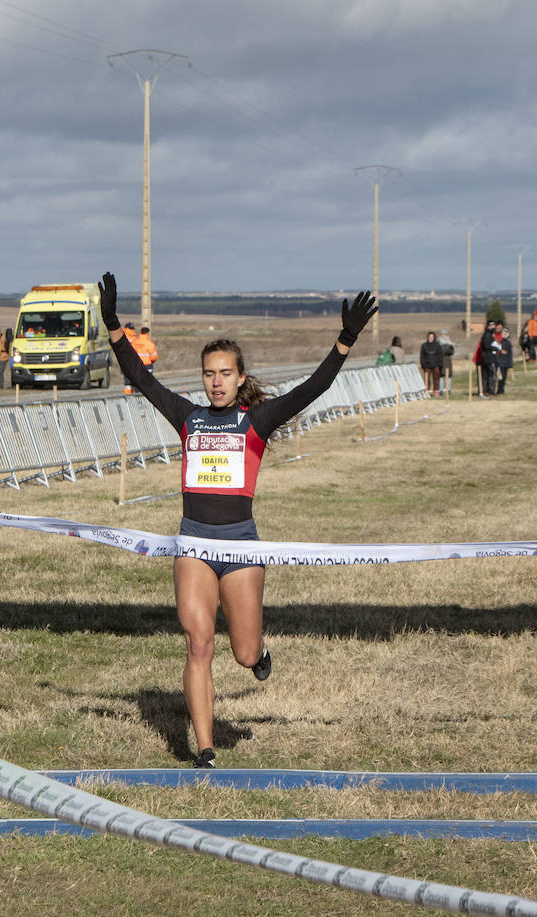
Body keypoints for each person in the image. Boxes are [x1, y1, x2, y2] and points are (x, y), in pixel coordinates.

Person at [99, 271, 377, 769]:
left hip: (242, 546)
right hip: (195, 544)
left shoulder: (258, 421)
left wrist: (345, 339)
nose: (217, 381)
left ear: (240, 377)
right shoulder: (188, 417)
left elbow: (313, 388)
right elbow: (142, 378)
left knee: (243, 654)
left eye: (225, 373)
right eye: (209, 373)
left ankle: (258, 654)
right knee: (198, 642)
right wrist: (113, 324)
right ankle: (204, 750)